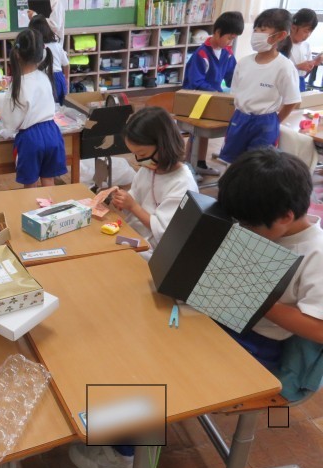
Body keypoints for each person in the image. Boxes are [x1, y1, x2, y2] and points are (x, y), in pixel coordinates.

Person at [217, 147, 323, 369]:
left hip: (259, 342)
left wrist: (255, 300)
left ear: (285, 217)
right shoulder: (268, 224)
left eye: (249, 225)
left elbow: (318, 329)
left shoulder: (316, 253)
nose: (243, 228)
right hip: (225, 314)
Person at [111, 107, 198, 258]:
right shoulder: (148, 169)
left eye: (142, 154)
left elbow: (164, 231)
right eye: (135, 154)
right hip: (135, 237)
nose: (139, 161)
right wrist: (121, 201)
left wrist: (132, 206)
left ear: (164, 145)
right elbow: (134, 195)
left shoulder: (183, 183)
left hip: (157, 252)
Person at [219, 8, 300, 164]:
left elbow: (292, 100)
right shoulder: (243, 63)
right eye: (255, 30)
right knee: (232, 162)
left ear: (280, 35)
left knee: (258, 165)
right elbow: (235, 94)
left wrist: (275, 121)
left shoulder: (284, 67)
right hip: (240, 118)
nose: (256, 34)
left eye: (263, 30)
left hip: (265, 122)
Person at [0, 29, 66, 188]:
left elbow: (11, 122)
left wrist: (1, 116)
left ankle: (32, 205)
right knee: (49, 180)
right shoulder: (45, 77)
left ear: (17, 54)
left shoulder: (17, 84)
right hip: (52, 132)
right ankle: (51, 204)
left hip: (31, 138)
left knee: (30, 186)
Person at [182, 11, 244, 176]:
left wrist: (241, 87)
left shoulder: (227, 53)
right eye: (229, 38)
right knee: (196, 133)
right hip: (194, 99)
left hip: (213, 98)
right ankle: (189, 166)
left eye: (233, 39)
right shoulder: (201, 54)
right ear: (217, 32)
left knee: (205, 135)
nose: (231, 42)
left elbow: (233, 76)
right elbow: (196, 82)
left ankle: (200, 163)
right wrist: (217, 92)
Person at [29, 14, 69, 105]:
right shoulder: (57, 45)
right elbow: (66, 64)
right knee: (60, 107)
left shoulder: (37, 48)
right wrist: (66, 79)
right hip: (59, 77)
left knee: (47, 106)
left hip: (45, 78)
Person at [280, 8, 322, 92]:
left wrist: (314, 62)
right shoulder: (281, 44)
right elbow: (276, 71)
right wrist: (298, 67)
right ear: (293, 27)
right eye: (305, 31)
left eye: (311, 32)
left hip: (300, 84)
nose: (308, 35)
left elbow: (304, 74)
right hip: (284, 84)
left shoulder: (306, 46)